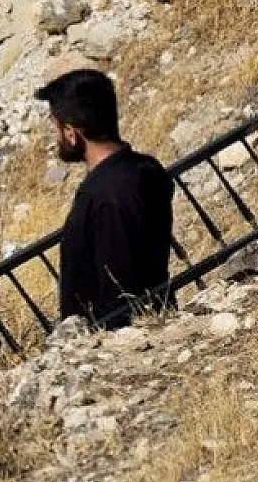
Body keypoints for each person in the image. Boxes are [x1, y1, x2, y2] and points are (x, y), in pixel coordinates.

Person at [35, 68, 175, 328]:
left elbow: (118, 291)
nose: (55, 137)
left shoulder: (107, 195)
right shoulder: (144, 168)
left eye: (56, 127)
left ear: (72, 133)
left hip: (120, 336)